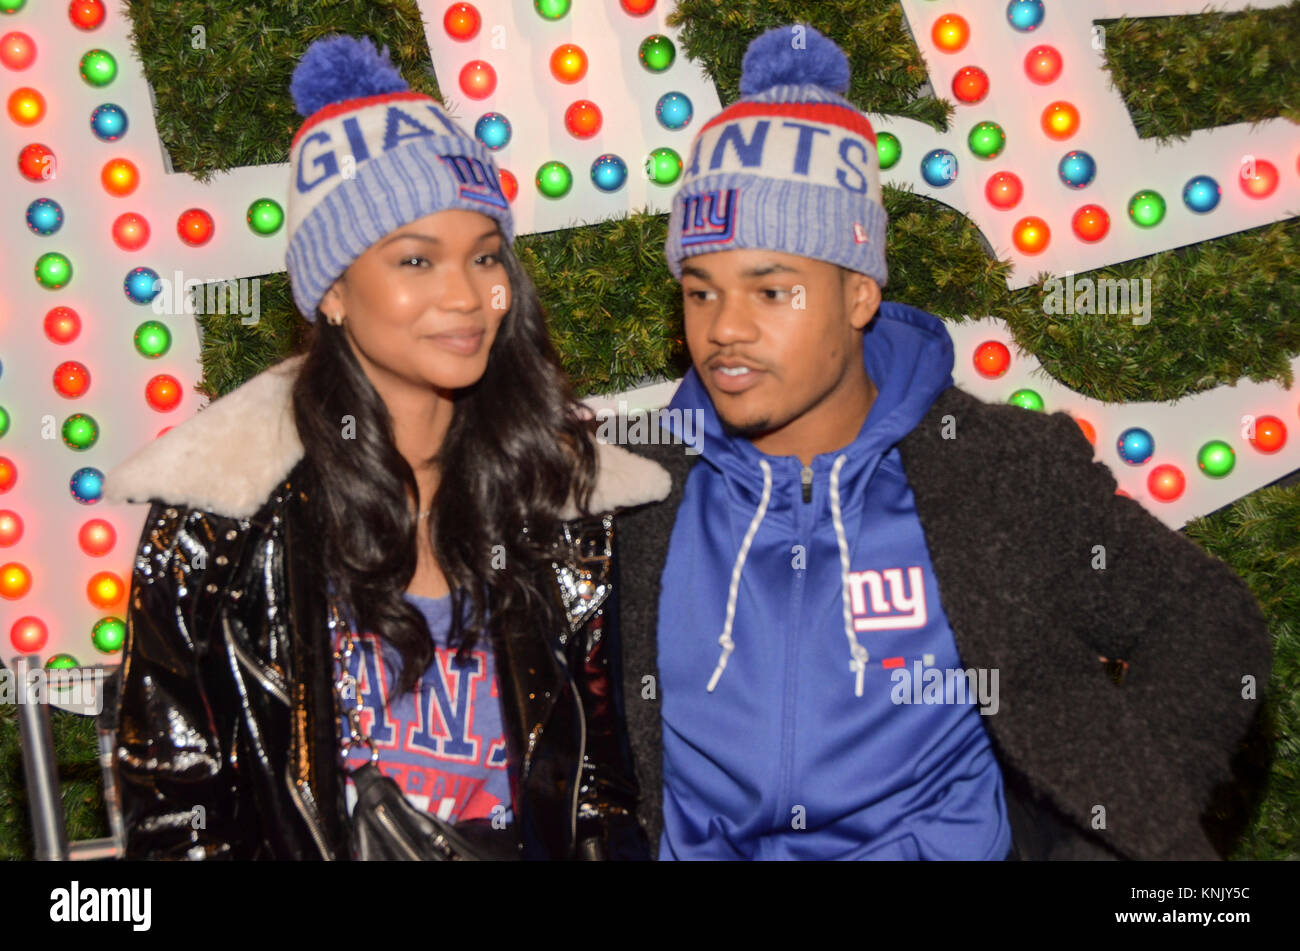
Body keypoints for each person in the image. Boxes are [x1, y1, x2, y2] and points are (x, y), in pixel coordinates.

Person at [612, 24, 1273, 860]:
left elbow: (1208, 619)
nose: (725, 329)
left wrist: (1105, 836)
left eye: (771, 290)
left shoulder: (992, 467)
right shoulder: (637, 483)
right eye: (700, 291)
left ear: (858, 295)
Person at [103, 34, 670, 860]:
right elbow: (178, 820)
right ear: (332, 289)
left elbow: (598, 796)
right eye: (416, 259)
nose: (467, 296)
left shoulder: (564, 501)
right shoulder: (220, 520)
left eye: (485, 257)